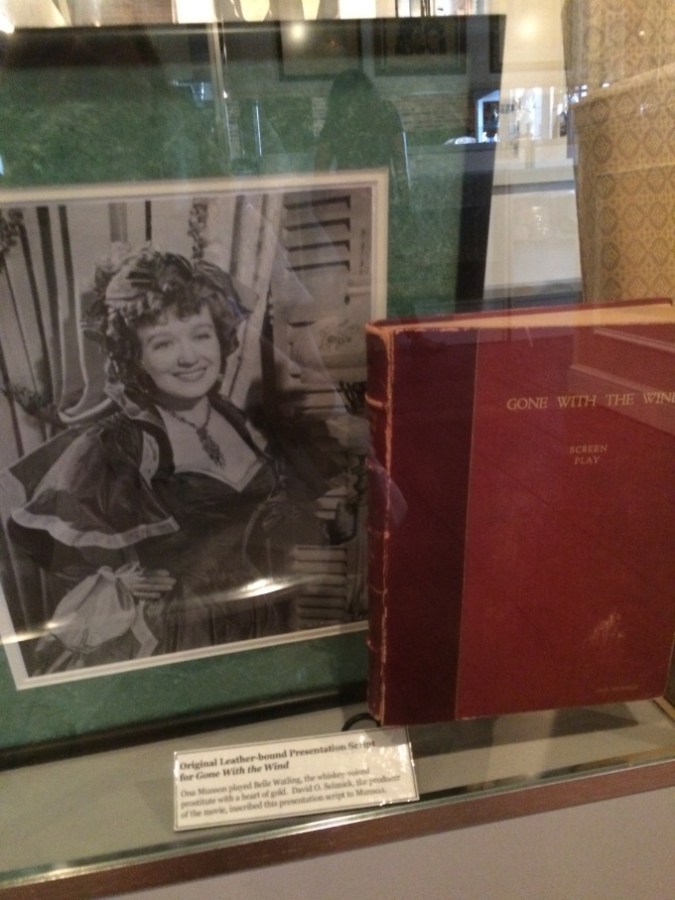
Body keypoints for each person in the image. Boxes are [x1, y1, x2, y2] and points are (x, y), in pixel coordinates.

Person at [8, 245, 352, 674]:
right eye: (163, 343)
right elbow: (48, 540)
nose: (189, 357)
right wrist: (118, 580)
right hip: (180, 635)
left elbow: (265, 524)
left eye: (200, 335)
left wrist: (332, 518)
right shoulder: (121, 441)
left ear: (221, 338)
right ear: (134, 357)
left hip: (261, 616)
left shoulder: (240, 419)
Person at [315, 69, 410, 206]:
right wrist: (405, 198)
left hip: (351, 198)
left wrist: (321, 205)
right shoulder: (387, 112)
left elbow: (320, 168)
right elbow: (400, 163)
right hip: (377, 195)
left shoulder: (336, 120)